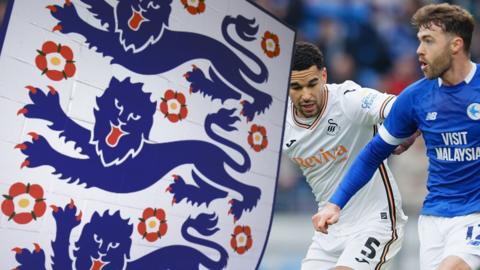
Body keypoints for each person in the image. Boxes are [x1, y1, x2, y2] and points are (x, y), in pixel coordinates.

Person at [316, 3, 480, 270]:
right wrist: (335, 204)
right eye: (418, 41)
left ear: (456, 45)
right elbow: (372, 154)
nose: (419, 51)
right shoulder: (415, 98)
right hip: (434, 218)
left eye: (428, 41)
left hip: (475, 214)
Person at [282, 41, 410, 269]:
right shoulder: (278, 124)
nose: (306, 95)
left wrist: (406, 128)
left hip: (374, 222)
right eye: (296, 87)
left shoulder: (347, 100)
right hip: (328, 228)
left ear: (324, 75)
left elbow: (398, 107)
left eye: (312, 84)